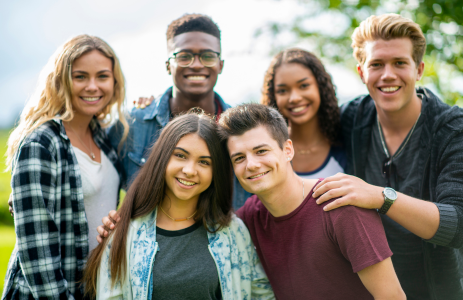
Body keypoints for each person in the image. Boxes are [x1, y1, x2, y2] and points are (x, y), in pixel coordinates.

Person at [313, 14, 463, 299]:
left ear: (418, 70)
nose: (388, 75)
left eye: (399, 63)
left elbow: (457, 224)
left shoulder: (453, 129)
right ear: (361, 72)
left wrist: (381, 196)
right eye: (376, 65)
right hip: (367, 290)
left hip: (437, 291)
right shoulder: (352, 118)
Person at [217, 103, 405, 299]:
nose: (252, 165)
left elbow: (392, 296)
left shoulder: (341, 205)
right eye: (239, 158)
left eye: (261, 151)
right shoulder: (250, 217)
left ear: (288, 150)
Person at [83, 112, 274, 300]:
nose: (189, 170)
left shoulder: (233, 232)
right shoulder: (124, 232)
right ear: (162, 157)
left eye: (204, 162)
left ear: (216, 171)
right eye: (181, 156)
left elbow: (261, 294)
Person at [2, 35, 129, 299]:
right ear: (60, 81)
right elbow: (38, 255)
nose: (92, 86)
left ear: (114, 83)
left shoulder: (103, 136)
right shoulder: (40, 143)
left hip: (92, 288)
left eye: (102, 76)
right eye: (80, 76)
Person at [108, 13, 251, 212]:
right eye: (184, 56)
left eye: (208, 56)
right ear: (168, 65)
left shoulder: (244, 131)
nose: (196, 65)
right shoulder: (131, 125)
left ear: (221, 65)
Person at [261, 48, 346, 179]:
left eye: (304, 85)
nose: (294, 98)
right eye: (283, 90)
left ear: (320, 87)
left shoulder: (348, 141)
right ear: (273, 96)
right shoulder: (268, 150)